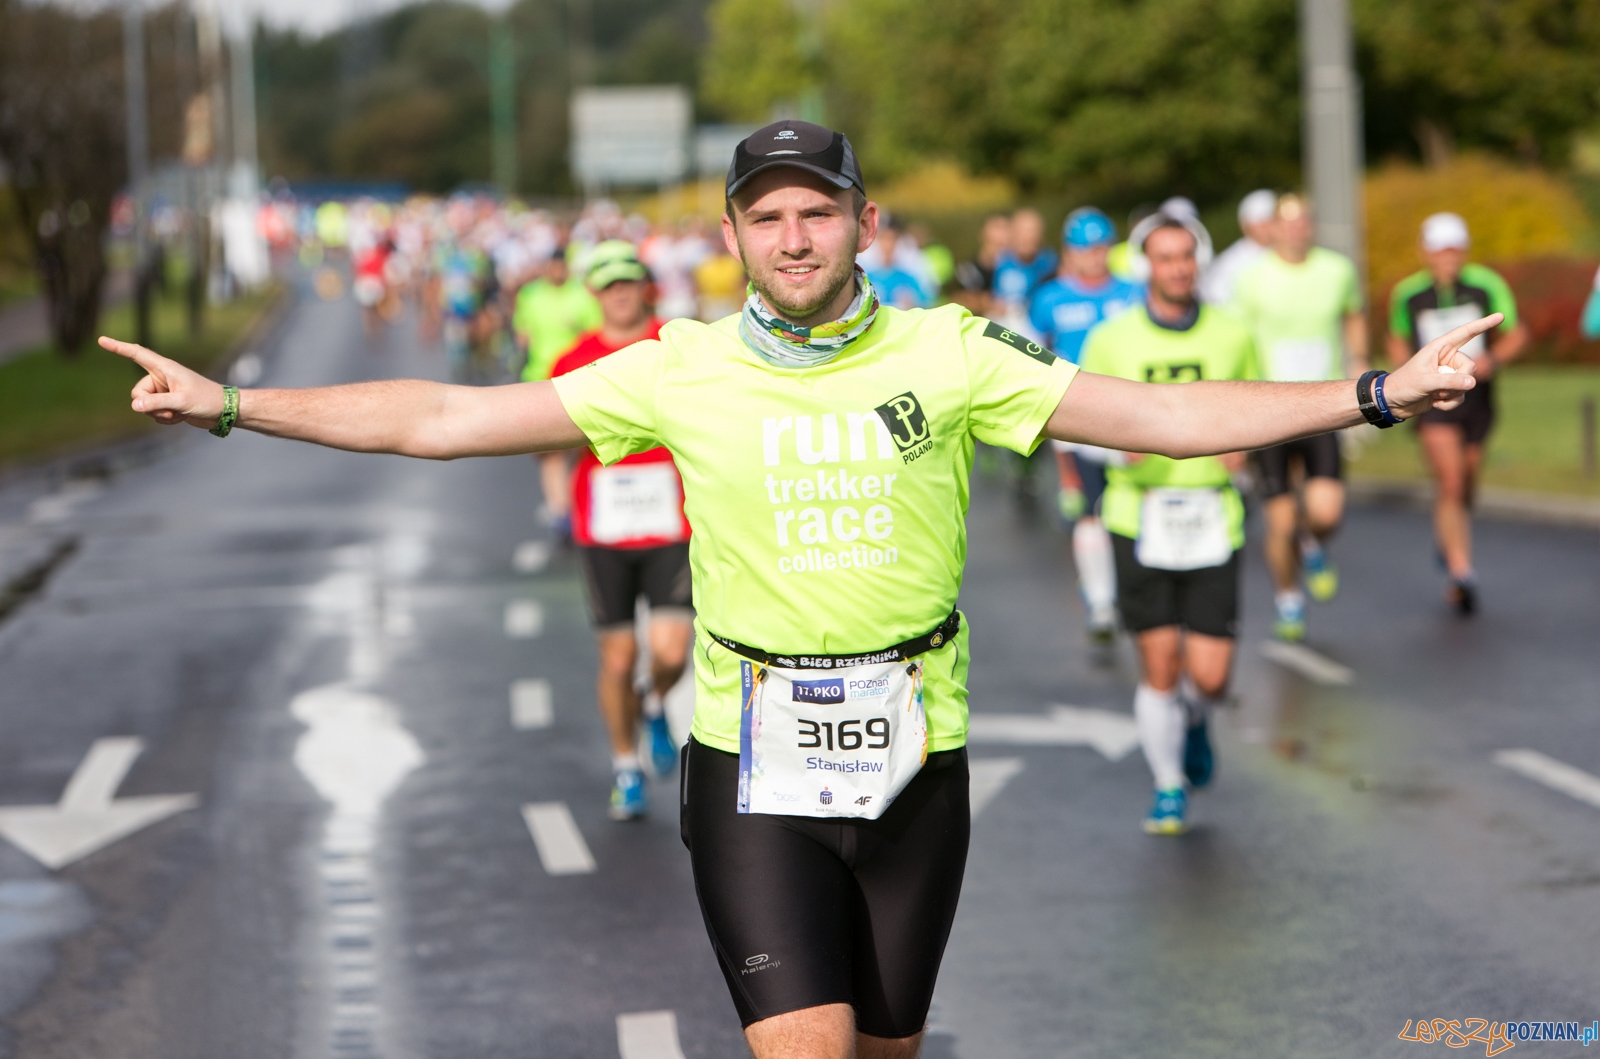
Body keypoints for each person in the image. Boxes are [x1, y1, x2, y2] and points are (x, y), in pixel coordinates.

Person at [102, 119, 1489, 1059]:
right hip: (750, 760)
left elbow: (1159, 415)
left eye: (815, 212)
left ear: (861, 221)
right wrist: (234, 402)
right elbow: (448, 417)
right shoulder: (681, 368)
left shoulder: (952, 353)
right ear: (733, 234)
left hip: (918, 756)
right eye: (764, 218)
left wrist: (1378, 390)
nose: (792, 238)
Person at [1079, 212, 1257, 835]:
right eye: (1165, 257)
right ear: (1145, 266)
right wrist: (1114, 450)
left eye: (1186, 255)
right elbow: (1077, 420)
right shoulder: (1112, 339)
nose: (1178, 268)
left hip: (1214, 516)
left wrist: (1246, 447)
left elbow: (1261, 403)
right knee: (1159, 666)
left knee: (1210, 676)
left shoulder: (1233, 333)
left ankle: (1198, 717)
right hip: (1139, 516)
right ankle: (1167, 786)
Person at [548, 241, 693, 820]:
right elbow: (550, 442)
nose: (621, 293)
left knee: (671, 653)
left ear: (645, 286)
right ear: (595, 293)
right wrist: (558, 504)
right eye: (610, 285)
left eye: (629, 281)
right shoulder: (573, 359)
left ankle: (653, 701)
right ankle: (626, 767)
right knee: (617, 659)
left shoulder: (675, 347)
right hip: (604, 529)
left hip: (671, 523)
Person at [1231, 194, 1366, 641]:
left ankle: (1311, 542)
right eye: (1285, 222)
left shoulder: (1336, 270)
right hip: (1268, 410)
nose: (1294, 229)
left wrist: (1359, 359)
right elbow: (1236, 340)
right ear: (1271, 228)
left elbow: (1353, 315)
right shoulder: (1251, 278)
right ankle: (1288, 600)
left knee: (1326, 513)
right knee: (1280, 521)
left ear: (1311, 226)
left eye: (1302, 221)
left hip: (1323, 406)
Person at [1388, 213, 1526, 615]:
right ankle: (1461, 572)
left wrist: (1493, 360)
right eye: (1439, 250)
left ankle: (1448, 540)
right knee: (1450, 481)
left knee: (1466, 482)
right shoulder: (1408, 293)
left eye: (1454, 249)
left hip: (1477, 398)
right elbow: (1397, 339)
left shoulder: (1487, 284)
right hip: (1433, 401)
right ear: (1424, 252)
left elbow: (1516, 332)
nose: (1447, 257)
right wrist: (1408, 377)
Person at [1029, 207, 1145, 640]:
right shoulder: (1049, 298)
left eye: (1100, 248)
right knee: (1091, 509)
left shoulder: (1134, 292)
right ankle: (1100, 602)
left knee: (1131, 509)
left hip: (1131, 416)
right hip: (1078, 421)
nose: (1094, 257)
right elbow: (1036, 357)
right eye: (1084, 249)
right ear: (1069, 252)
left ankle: (1131, 588)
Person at [514, 247, 603, 538]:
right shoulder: (531, 295)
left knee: (577, 449)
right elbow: (523, 334)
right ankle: (559, 511)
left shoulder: (582, 295)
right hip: (539, 379)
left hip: (575, 379)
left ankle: (573, 505)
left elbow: (595, 333)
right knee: (549, 453)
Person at [1202, 188, 1277, 306]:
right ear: (1243, 225)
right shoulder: (1229, 263)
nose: (1266, 226)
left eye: (1271, 220)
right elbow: (1217, 300)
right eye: (1260, 221)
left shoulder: (1291, 254)